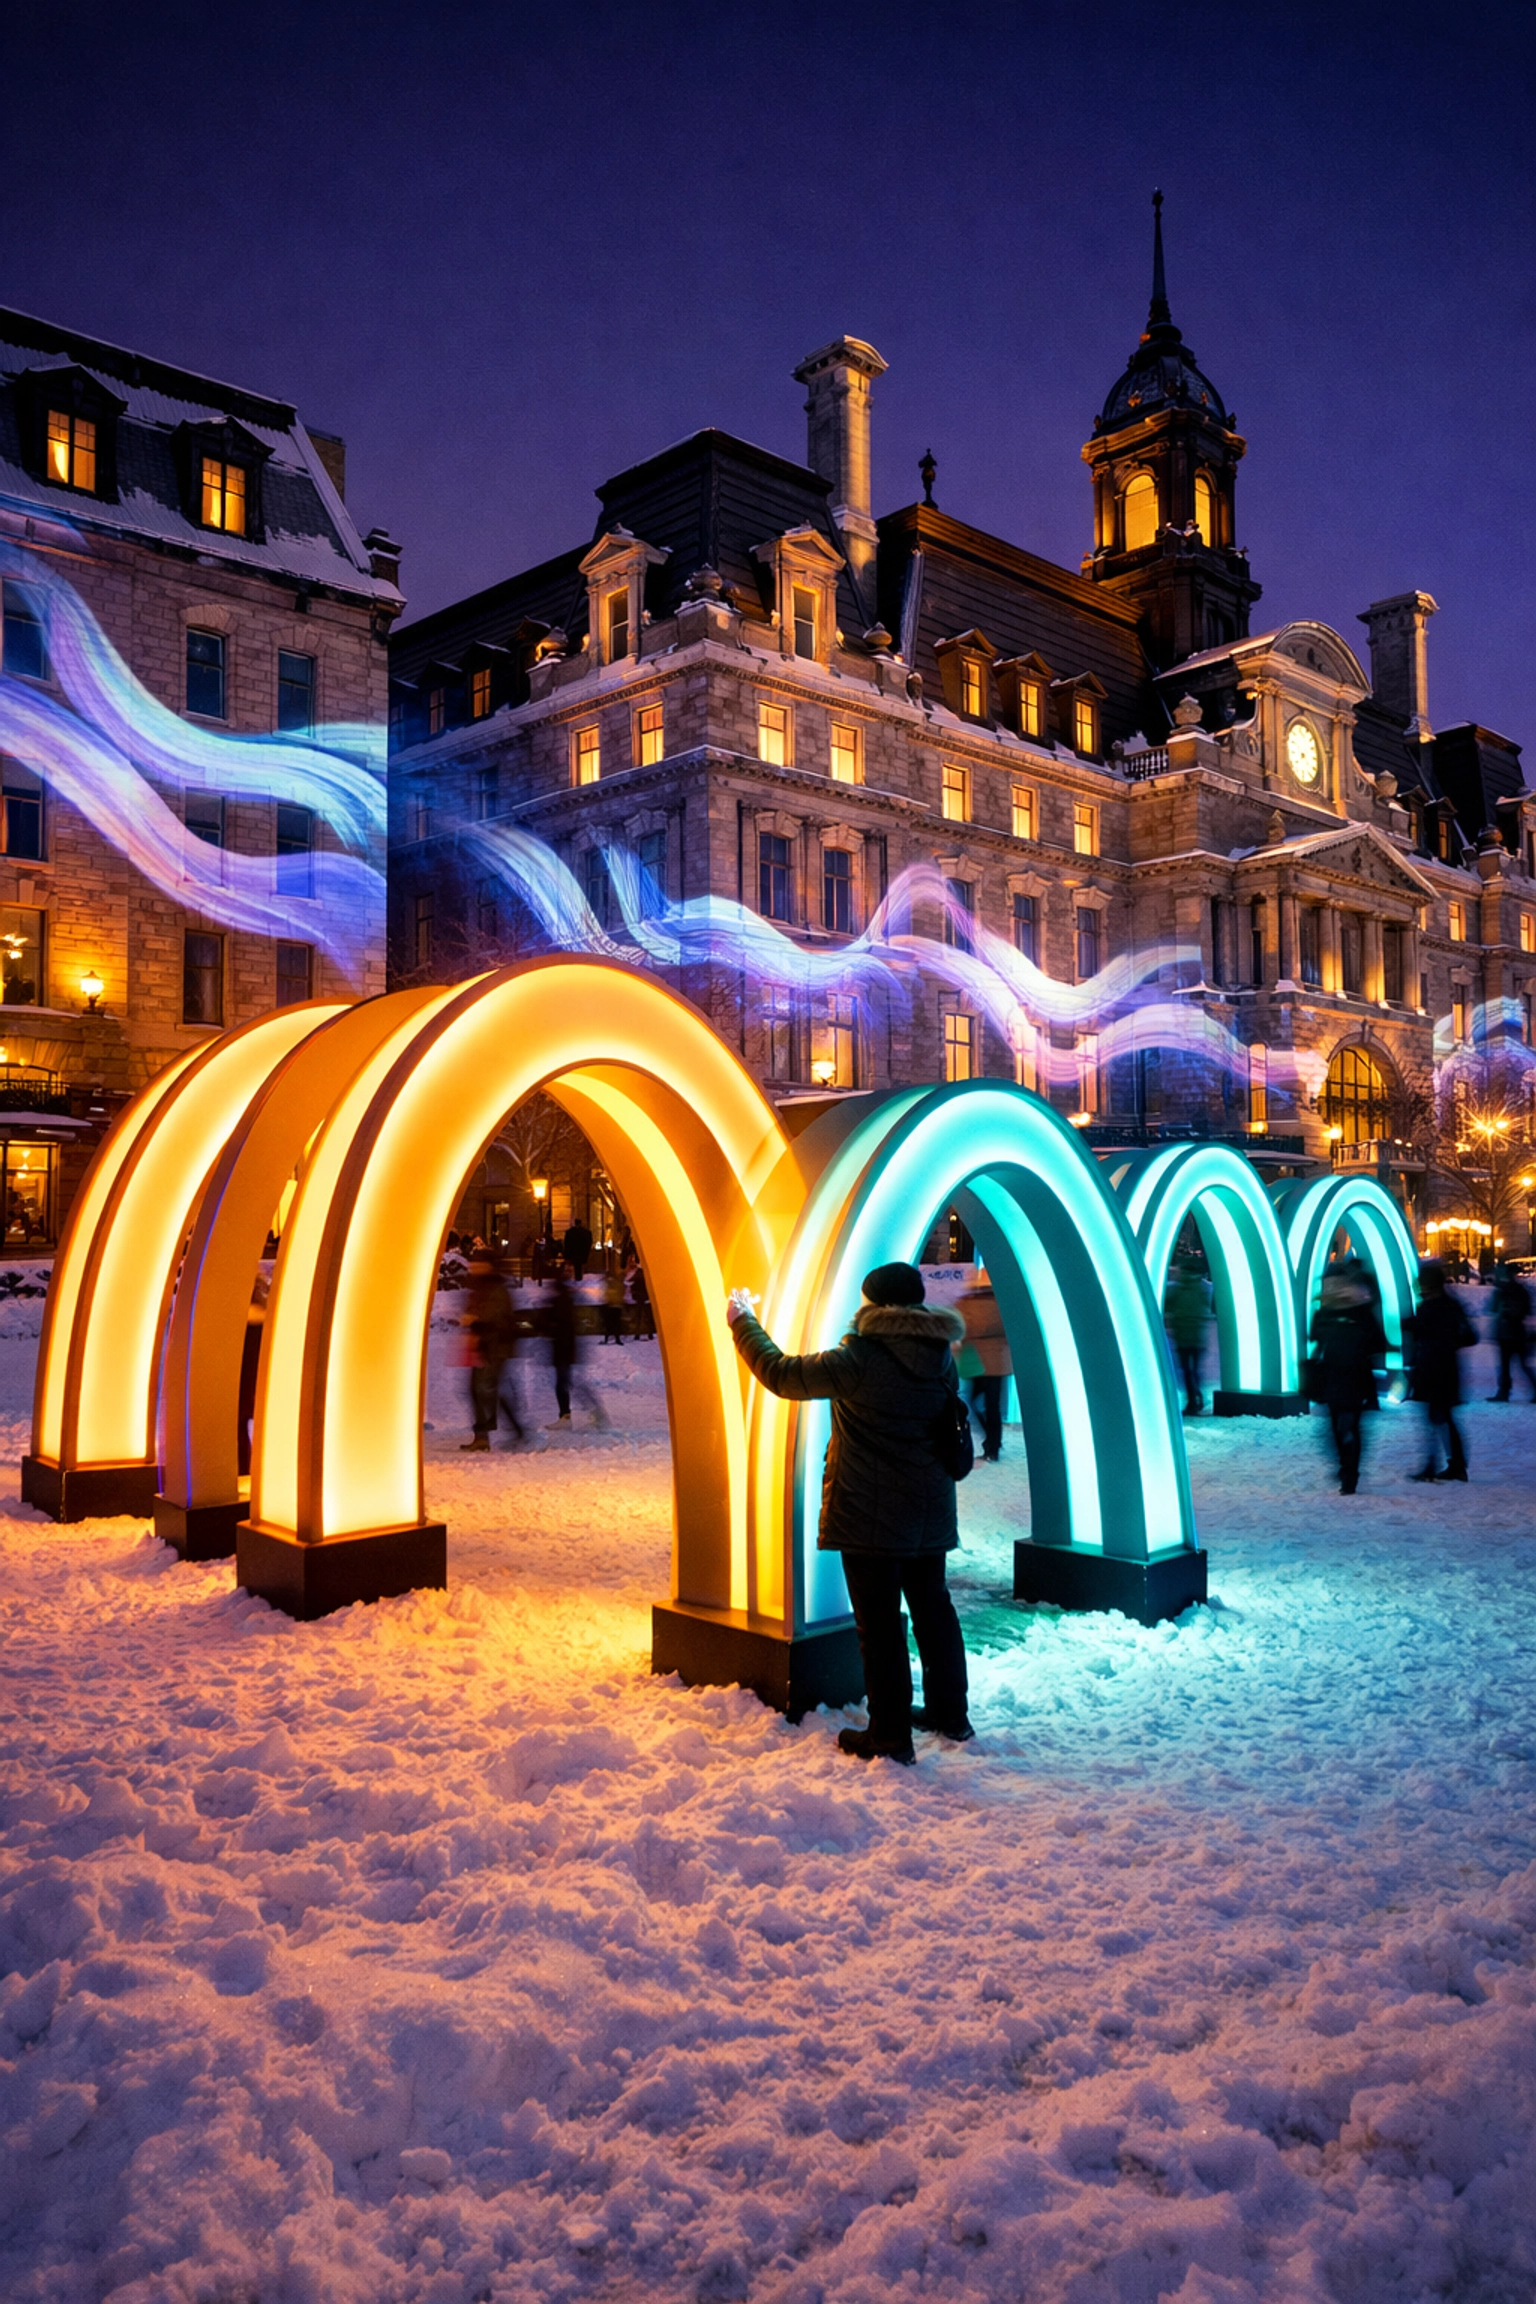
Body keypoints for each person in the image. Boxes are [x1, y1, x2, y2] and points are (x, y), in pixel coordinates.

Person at [728, 1260, 971, 1764]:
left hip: (872, 1518)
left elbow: (782, 1373)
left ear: (873, 1303)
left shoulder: (860, 1355)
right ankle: (952, 1714)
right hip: (930, 1514)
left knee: (880, 1626)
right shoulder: (939, 1353)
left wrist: (742, 1321)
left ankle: (888, 1735)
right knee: (934, 1612)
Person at [1307, 1266, 1386, 1494]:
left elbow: (1317, 1343)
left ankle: (1348, 1471)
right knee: (1344, 1426)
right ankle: (1349, 1468)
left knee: (1342, 1425)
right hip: (1349, 1375)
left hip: (1344, 1376)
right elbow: (1376, 1344)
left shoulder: (1329, 1313)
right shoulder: (1359, 1312)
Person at [1406, 1259, 1476, 1482]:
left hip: (1434, 1369)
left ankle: (1447, 1464)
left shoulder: (1431, 1308)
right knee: (1441, 1417)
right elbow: (1468, 1336)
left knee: (1438, 1417)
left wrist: (1413, 1325)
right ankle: (1451, 1464)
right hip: (1445, 1368)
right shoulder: (1450, 1306)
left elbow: (1424, 1331)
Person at [459, 1257, 527, 1450]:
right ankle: (510, 1429)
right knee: (484, 1389)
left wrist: (475, 1322)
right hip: (485, 1346)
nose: (473, 1268)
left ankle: (483, 1437)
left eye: (478, 1264)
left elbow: (495, 1318)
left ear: (488, 1266)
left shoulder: (496, 1289)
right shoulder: (480, 1287)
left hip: (494, 1348)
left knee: (482, 1389)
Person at [542, 1262, 608, 1428]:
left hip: (564, 1348)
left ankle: (587, 1414)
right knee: (567, 1383)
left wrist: (548, 1324)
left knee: (567, 1383)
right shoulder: (566, 1295)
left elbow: (561, 1324)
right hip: (565, 1347)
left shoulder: (563, 1297)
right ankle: (575, 1415)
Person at [956, 1268, 1010, 1462]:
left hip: (977, 1359)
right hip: (996, 1361)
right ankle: (993, 1442)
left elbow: (965, 1327)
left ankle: (992, 1444)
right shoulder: (1003, 1303)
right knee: (990, 1404)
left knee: (976, 1401)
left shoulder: (971, 1303)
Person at [1165, 1259, 1212, 1416]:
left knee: (1186, 1370)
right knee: (1195, 1370)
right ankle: (1197, 1396)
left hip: (1182, 1335)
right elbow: (1206, 1306)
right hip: (1198, 1335)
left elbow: (1168, 1307)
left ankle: (1193, 1400)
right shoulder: (1204, 1287)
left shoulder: (1176, 1289)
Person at [1489, 1262, 1535, 1402]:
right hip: (1517, 1332)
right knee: (1521, 1365)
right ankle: (1505, 1391)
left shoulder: (1503, 1291)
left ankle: (1503, 1392)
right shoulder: (1520, 1291)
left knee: (1506, 1365)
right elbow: (1526, 1310)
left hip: (1507, 1333)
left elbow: (1494, 1309)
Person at [598, 1265, 627, 1345]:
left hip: (611, 1306)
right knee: (616, 1324)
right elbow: (621, 1294)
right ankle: (617, 1339)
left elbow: (608, 1293)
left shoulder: (612, 1284)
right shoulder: (619, 1285)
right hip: (617, 1306)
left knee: (609, 1324)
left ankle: (607, 1339)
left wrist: (608, 1300)